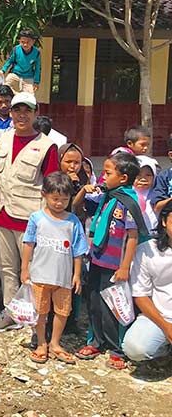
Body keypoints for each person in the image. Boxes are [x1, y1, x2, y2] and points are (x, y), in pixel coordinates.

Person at [0, 92, 58, 333]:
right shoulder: (5, 139)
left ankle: (36, 318)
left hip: (29, 219)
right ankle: (11, 312)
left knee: (32, 271)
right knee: (5, 268)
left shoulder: (47, 146)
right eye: (17, 110)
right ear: (11, 113)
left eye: (27, 110)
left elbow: (51, 185)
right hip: (2, 214)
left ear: (36, 113)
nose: (22, 115)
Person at [74, 152, 148, 369]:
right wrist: (83, 190)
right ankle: (96, 341)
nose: (103, 177)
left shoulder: (128, 202)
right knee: (94, 303)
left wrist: (124, 267)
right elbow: (77, 206)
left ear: (123, 178)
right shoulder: (106, 196)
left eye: (107, 173)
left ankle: (117, 349)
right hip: (97, 258)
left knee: (114, 306)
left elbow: (132, 236)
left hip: (115, 265)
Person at [21, 172, 88, 364]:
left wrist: (76, 274)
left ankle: (55, 343)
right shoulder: (36, 218)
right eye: (55, 199)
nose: (59, 203)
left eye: (64, 200)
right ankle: (41, 343)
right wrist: (24, 269)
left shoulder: (73, 221)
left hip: (63, 278)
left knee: (62, 311)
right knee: (40, 311)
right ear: (44, 194)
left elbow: (78, 250)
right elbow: (28, 244)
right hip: (40, 275)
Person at [122, 204, 172, 362]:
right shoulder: (147, 251)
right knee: (135, 348)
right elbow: (140, 295)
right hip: (161, 316)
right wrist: (166, 327)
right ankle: (164, 349)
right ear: (164, 221)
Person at [0, 29, 41, 95]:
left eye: (28, 42)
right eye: (22, 42)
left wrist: (36, 82)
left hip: (28, 77)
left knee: (30, 96)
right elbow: (9, 61)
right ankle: (16, 95)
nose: (25, 44)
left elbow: (37, 68)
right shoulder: (16, 49)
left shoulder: (36, 53)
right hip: (15, 74)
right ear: (19, 41)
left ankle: (19, 96)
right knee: (6, 88)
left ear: (33, 41)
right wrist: (3, 70)